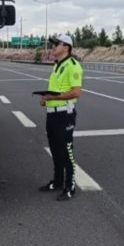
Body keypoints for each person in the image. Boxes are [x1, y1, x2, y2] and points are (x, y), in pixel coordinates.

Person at [39, 33, 84, 201]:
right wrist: (46, 99)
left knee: (66, 151)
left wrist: (53, 98)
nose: (53, 47)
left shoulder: (73, 65)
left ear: (66, 47)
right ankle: (58, 181)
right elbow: (57, 89)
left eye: (56, 44)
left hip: (64, 114)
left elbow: (76, 92)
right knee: (55, 150)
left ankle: (70, 187)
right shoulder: (57, 65)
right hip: (52, 114)